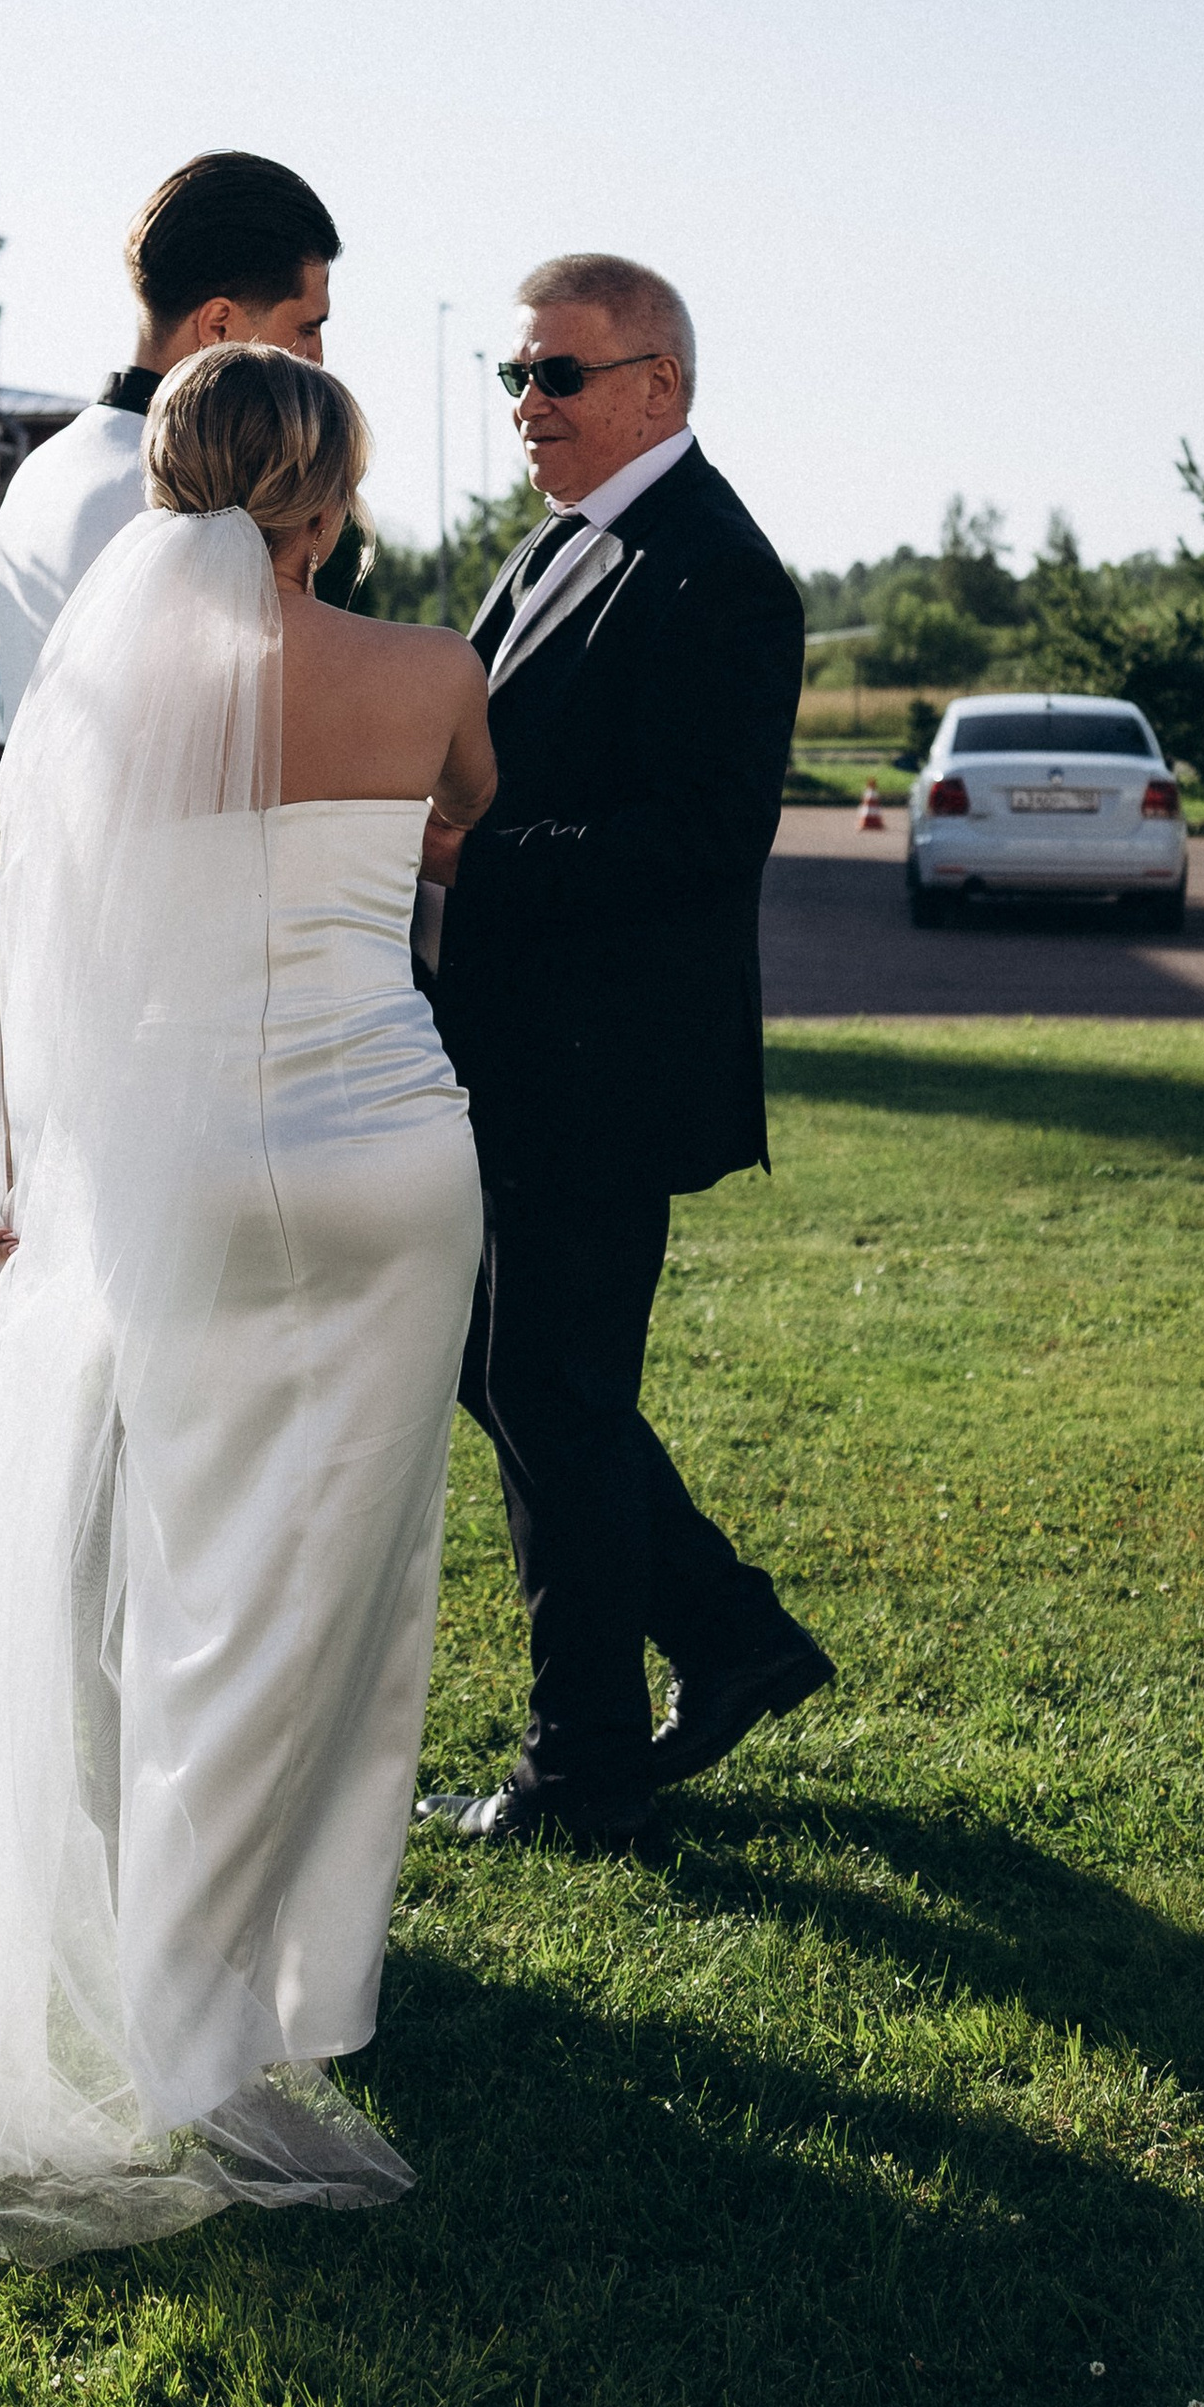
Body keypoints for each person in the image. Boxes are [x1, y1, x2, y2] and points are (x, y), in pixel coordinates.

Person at [0, 345, 494, 2261]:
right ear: (339, 495)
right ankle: (292, 1993)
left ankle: (190, 2002)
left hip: (184, 1173)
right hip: (395, 1164)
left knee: (190, 1583)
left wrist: (14, 1182)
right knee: (348, 1586)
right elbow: (465, 813)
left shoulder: (94, 709)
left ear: (169, 490)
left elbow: (30, 977)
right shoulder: (434, 668)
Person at [419, 252, 833, 1853]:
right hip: (510, 1049)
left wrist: (472, 867)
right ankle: (723, 1636)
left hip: (605, 1064)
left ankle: (585, 1756)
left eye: (558, 377)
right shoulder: (550, 549)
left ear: (658, 385)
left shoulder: (716, 571)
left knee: (549, 1384)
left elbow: (710, 836)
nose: (528, 404)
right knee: (516, 1375)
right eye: (516, 378)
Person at [0, 150, 339, 709]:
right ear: (220, 326)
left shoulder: (37, 472)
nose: (317, 358)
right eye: (307, 327)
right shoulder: (189, 499)